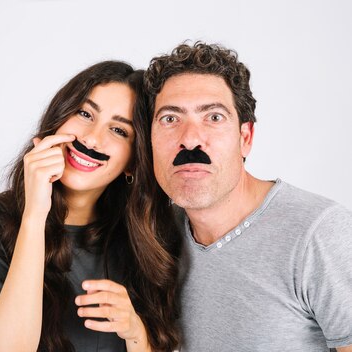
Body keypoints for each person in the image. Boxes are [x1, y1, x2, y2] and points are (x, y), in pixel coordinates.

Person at [0, 61, 181, 352]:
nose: (91, 138)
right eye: (85, 113)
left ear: (133, 163)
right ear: (59, 118)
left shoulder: (156, 233)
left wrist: (135, 331)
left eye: (118, 130)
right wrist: (35, 216)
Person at [143, 41, 352, 351]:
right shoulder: (159, 235)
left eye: (213, 117)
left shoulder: (319, 232)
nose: (189, 140)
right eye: (170, 119)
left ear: (245, 138)